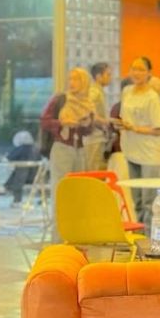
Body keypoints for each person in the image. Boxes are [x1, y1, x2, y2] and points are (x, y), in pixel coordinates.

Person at [40, 67, 97, 235]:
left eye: (77, 79)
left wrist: (86, 124)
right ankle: (59, 236)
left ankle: (76, 235)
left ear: (84, 82)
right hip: (62, 148)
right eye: (70, 79)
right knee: (61, 192)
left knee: (78, 193)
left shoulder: (87, 103)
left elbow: (89, 130)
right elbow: (45, 121)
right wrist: (62, 123)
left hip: (80, 148)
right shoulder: (60, 99)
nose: (72, 83)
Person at [120, 56, 160, 224]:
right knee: (137, 200)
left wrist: (135, 128)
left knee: (150, 201)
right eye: (134, 68)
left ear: (149, 73)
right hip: (130, 149)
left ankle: (151, 235)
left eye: (141, 69)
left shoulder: (152, 97)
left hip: (150, 154)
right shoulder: (127, 91)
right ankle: (140, 233)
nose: (136, 73)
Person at [3, 130, 41, 204]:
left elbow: (9, 158)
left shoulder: (21, 148)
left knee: (19, 170)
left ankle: (12, 194)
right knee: (20, 171)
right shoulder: (36, 149)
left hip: (22, 179)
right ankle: (6, 186)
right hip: (36, 177)